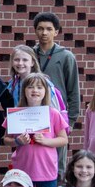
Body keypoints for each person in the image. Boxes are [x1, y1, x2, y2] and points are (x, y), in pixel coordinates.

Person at [32, 12, 81, 140]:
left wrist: (70, 121)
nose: (44, 33)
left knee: (58, 159)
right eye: (40, 29)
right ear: (35, 31)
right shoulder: (29, 55)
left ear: (56, 32)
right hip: (32, 116)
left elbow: (73, 90)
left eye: (49, 29)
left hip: (57, 115)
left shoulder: (66, 56)